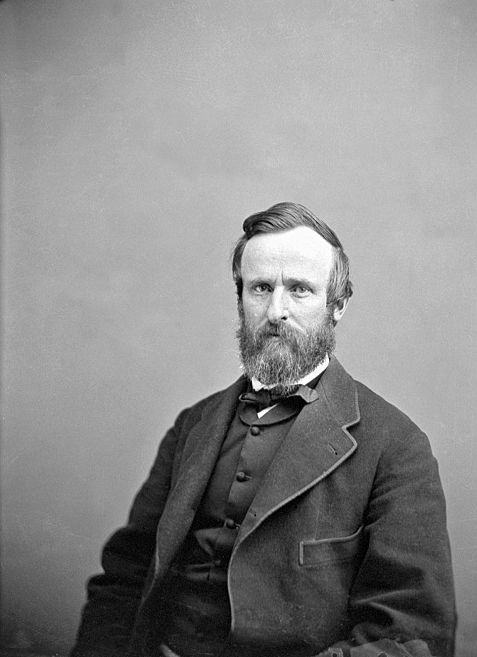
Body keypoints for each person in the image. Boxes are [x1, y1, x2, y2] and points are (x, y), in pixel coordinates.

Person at [71, 202, 456, 657]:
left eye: (299, 290)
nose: (276, 310)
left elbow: (411, 636)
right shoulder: (192, 425)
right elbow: (124, 580)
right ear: (240, 299)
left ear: (338, 306)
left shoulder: (396, 446)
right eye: (260, 288)